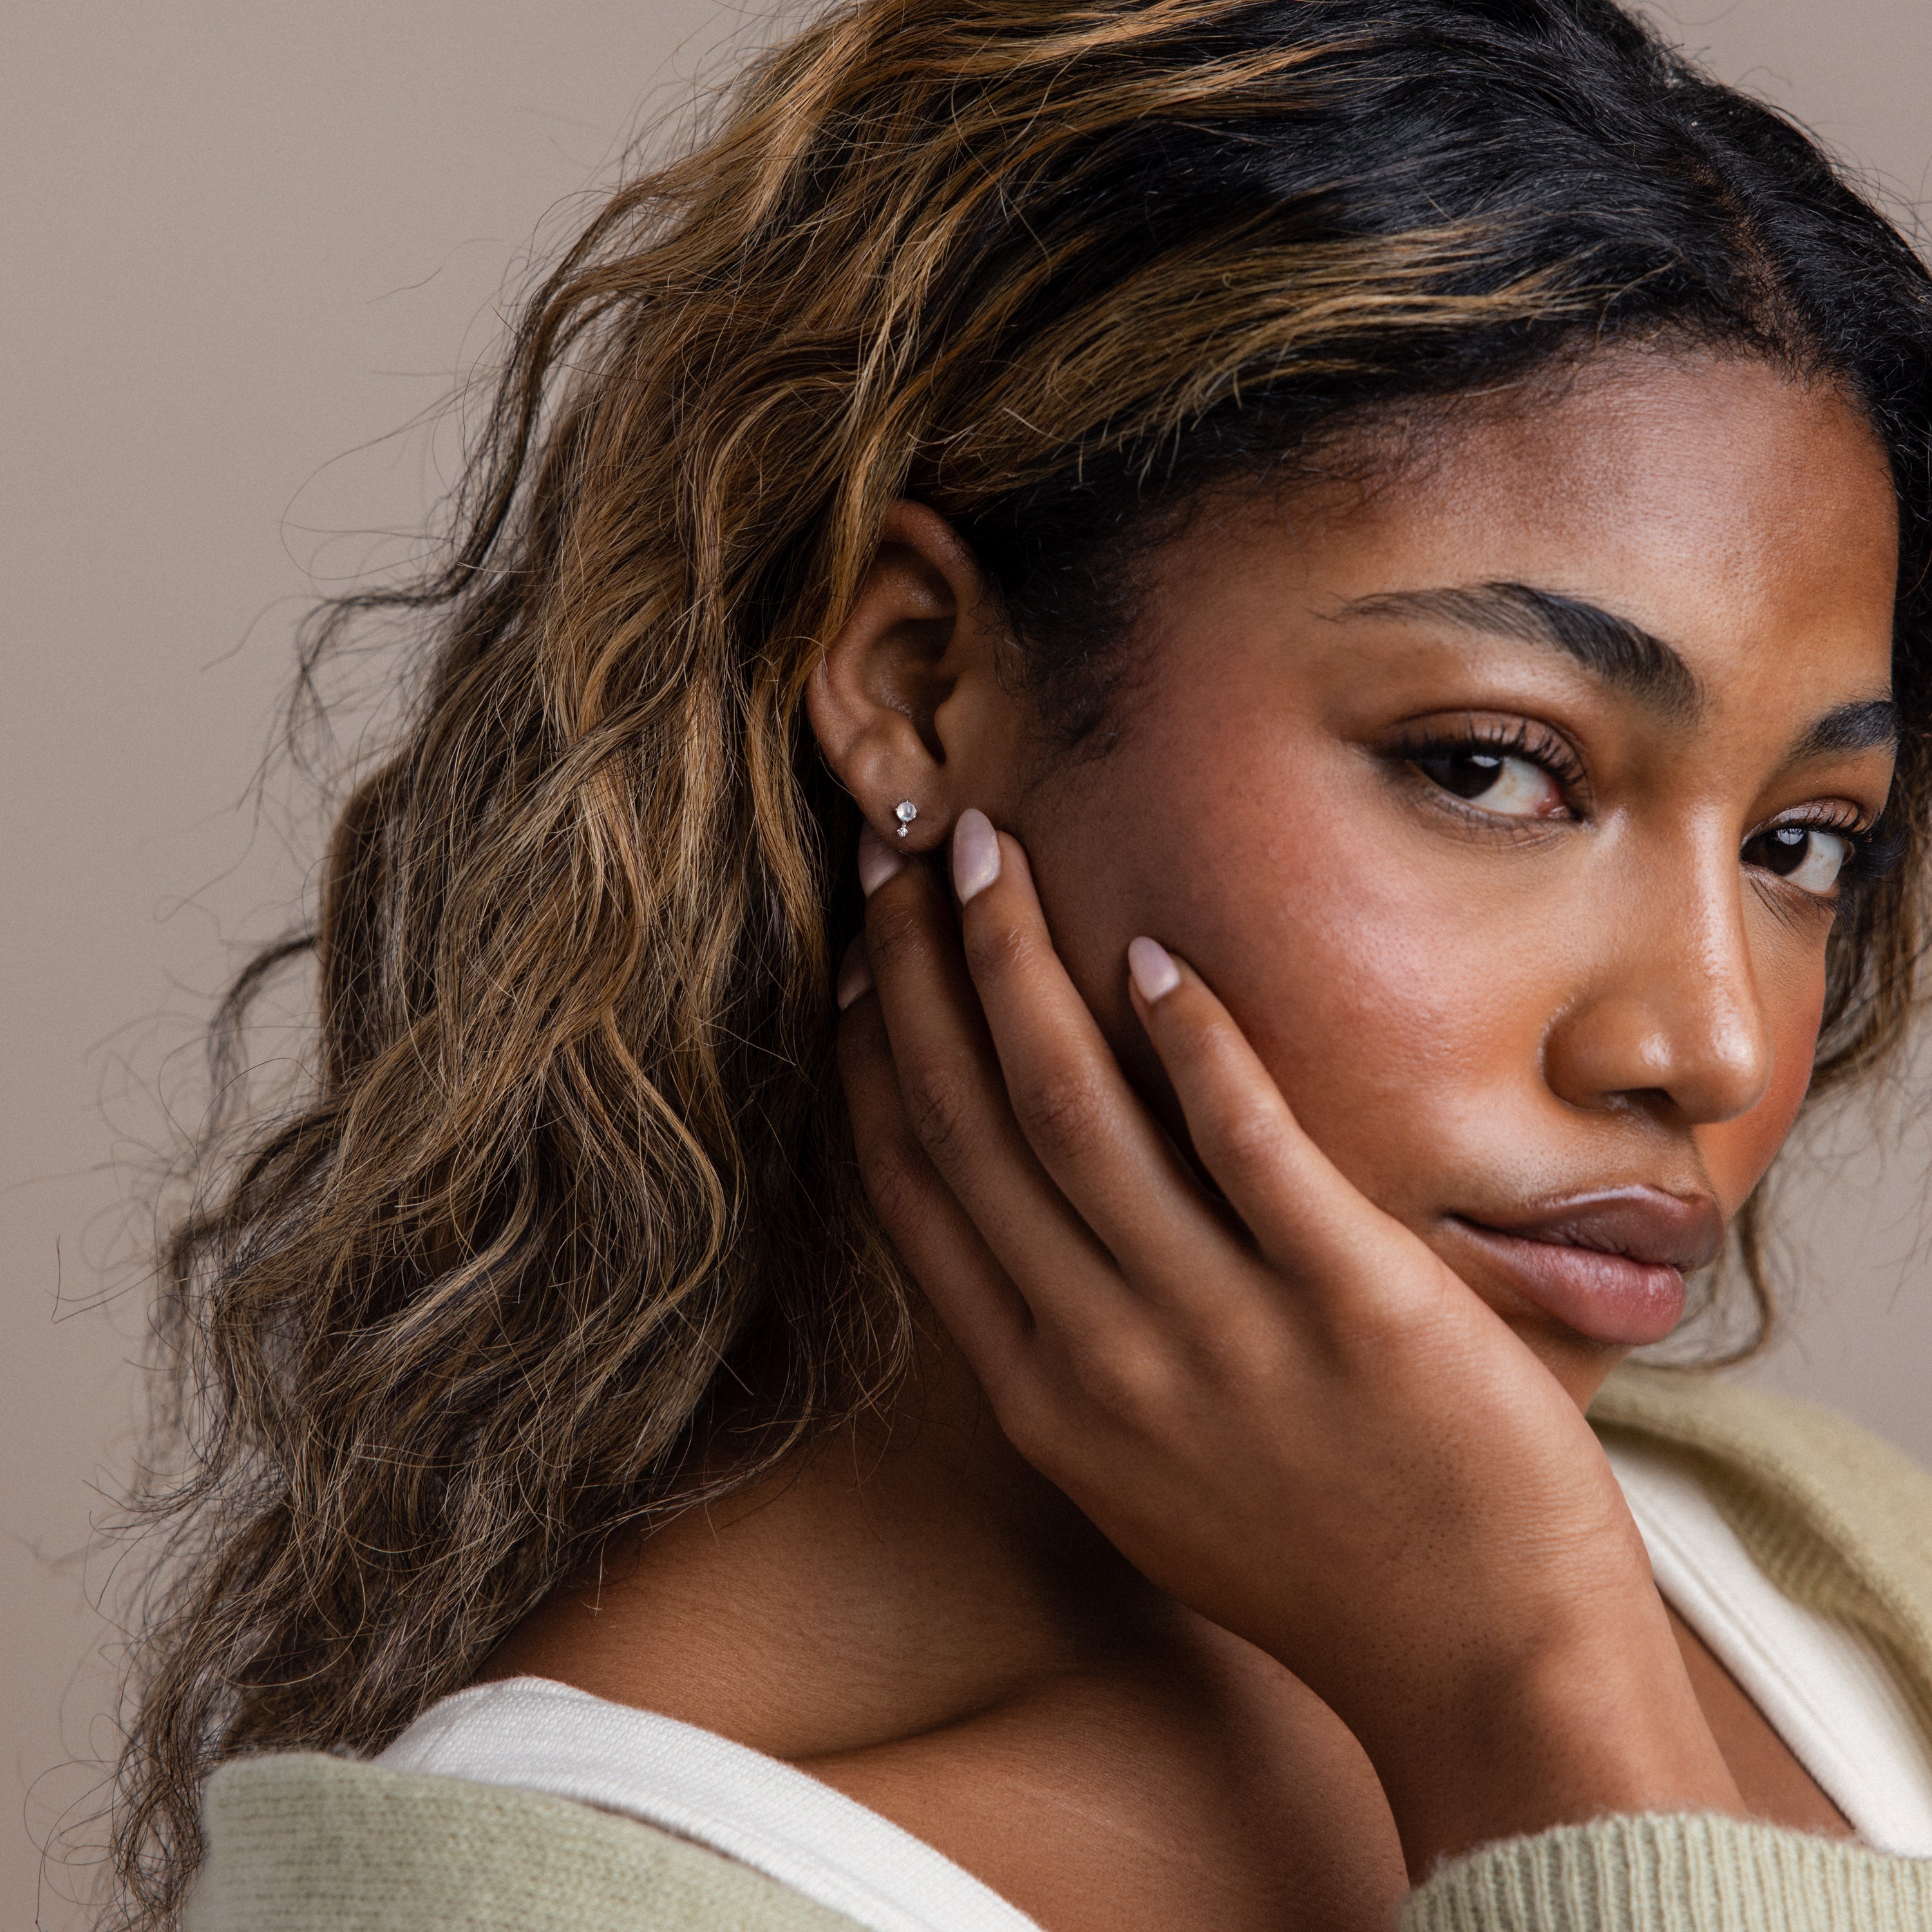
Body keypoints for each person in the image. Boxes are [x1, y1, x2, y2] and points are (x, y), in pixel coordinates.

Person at [105, 0, 1932, 1927]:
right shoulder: (538, 1903)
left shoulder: (1821, 1571)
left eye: (1802, 843)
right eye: (1490, 767)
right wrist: (1531, 1706)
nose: (1715, 1045)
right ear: (918, 682)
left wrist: (1535, 1648)